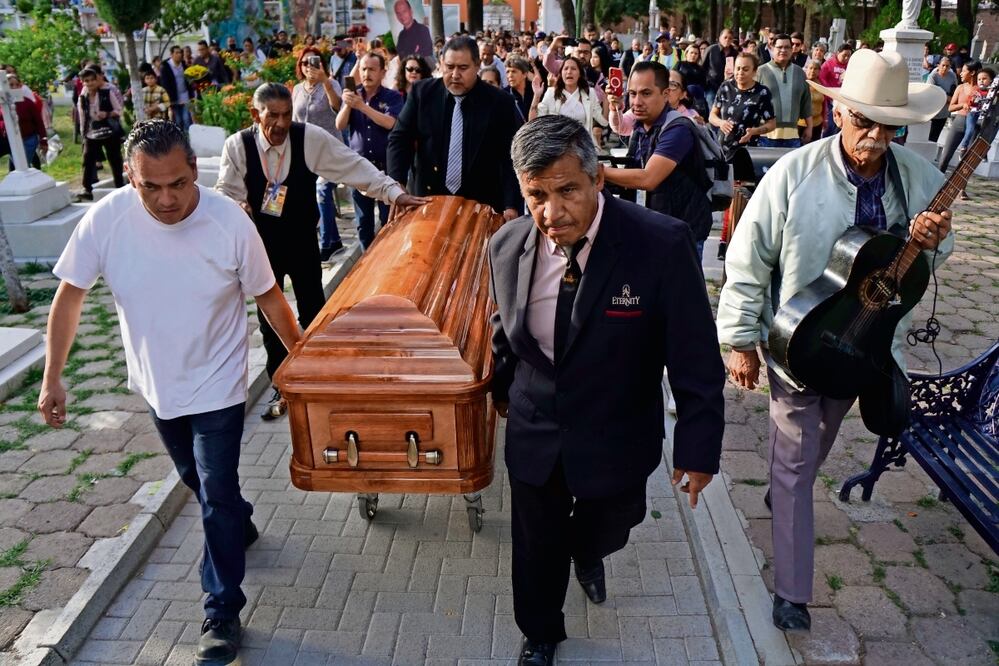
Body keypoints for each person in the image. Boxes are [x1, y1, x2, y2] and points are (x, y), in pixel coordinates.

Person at [38, 119, 303, 666]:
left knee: (214, 492)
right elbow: (70, 296)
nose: (166, 199)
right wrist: (52, 375)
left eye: (178, 183)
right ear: (129, 176)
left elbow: (270, 298)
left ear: (195, 171)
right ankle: (238, 522)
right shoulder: (106, 220)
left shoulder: (229, 222)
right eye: (150, 186)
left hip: (219, 383)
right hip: (157, 383)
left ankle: (221, 610)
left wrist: (303, 364)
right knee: (200, 483)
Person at [717, 49, 953, 634]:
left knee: (818, 438)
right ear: (839, 112)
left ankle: (786, 487)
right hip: (795, 341)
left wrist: (933, 239)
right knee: (798, 452)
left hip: (863, 343)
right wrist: (740, 339)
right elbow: (748, 257)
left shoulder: (916, 177)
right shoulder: (793, 173)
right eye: (864, 121)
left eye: (888, 126)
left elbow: (931, 256)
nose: (875, 137)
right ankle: (792, 593)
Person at [490, 114, 724, 666]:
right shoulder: (505, 246)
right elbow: (504, 329)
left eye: (567, 191)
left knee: (610, 526)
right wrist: (498, 392)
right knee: (535, 543)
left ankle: (587, 552)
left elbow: (694, 356)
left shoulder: (659, 245)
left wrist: (697, 449)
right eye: (536, 196)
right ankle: (540, 633)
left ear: (597, 178)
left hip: (618, 431)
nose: (552, 213)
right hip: (535, 426)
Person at [217, 83, 427, 419]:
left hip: (302, 239)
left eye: (287, 115)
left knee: (314, 310)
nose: (281, 124)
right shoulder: (238, 146)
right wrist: (237, 205)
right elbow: (226, 192)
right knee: (270, 321)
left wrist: (393, 193)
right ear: (256, 115)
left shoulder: (308, 138)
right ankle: (282, 384)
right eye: (273, 116)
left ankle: (319, 376)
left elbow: (352, 166)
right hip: (260, 245)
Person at [387, 36, 522, 221]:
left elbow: (511, 156)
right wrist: (397, 183)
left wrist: (510, 204)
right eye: (449, 67)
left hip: (482, 205)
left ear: (477, 66)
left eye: (463, 68)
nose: (455, 75)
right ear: (441, 63)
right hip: (428, 201)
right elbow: (400, 139)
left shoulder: (500, 102)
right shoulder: (422, 93)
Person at [603, 62, 714, 259]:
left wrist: (597, 171)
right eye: (632, 94)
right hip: (652, 225)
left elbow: (648, 178)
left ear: (665, 94)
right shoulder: (640, 125)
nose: (637, 102)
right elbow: (620, 128)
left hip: (682, 232)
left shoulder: (678, 128)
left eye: (646, 93)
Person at [336, 52, 404, 248]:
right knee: (363, 223)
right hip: (359, 168)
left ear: (382, 72)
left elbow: (390, 123)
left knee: (388, 220)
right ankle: (366, 258)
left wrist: (362, 107)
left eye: (372, 69)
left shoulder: (392, 97)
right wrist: (348, 105)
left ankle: (387, 256)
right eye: (364, 69)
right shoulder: (353, 94)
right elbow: (339, 125)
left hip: (385, 169)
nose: (367, 74)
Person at [291, 47, 346, 260]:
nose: (308, 67)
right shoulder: (297, 89)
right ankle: (333, 240)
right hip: (305, 153)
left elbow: (337, 107)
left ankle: (326, 244)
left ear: (321, 64)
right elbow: (294, 120)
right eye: (304, 63)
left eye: (313, 62)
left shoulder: (331, 84)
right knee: (291, 190)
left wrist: (325, 82)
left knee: (321, 189)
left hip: (330, 151)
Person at [709, 52, 775, 180]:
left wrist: (755, 131)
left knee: (741, 188)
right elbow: (712, 116)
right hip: (722, 149)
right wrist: (721, 123)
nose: (740, 73)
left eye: (745, 69)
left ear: (754, 71)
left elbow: (772, 124)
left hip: (746, 151)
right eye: (738, 68)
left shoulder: (762, 92)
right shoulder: (725, 87)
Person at [530, 57, 607, 148]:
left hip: (583, 148)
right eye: (565, 68)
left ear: (580, 74)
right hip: (557, 147)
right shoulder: (551, 93)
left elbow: (603, 121)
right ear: (561, 73)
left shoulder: (590, 93)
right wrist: (537, 95)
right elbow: (533, 122)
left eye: (573, 69)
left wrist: (606, 98)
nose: (569, 72)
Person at [756, 34, 813, 148]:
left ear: (792, 49)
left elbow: (806, 103)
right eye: (779, 47)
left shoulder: (800, 73)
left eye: (787, 47)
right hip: (765, 136)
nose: (783, 50)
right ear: (772, 48)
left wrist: (809, 127)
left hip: (793, 137)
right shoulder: (760, 72)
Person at [77, 67, 125, 201]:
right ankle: (86, 188)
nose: (90, 83)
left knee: (114, 158)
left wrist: (107, 114)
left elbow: (118, 110)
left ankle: (120, 185)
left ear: (97, 80)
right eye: (87, 81)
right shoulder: (83, 97)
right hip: (92, 132)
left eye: (92, 80)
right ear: (83, 82)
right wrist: (83, 132)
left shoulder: (106, 92)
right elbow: (82, 116)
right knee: (88, 159)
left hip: (109, 130)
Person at [937, 60, 981, 176]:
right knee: (945, 156)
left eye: (964, 71)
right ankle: (938, 180)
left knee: (967, 160)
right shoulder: (960, 88)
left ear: (972, 73)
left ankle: (960, 185)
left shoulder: (981, 90)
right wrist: (962, 105)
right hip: (959, 122)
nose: (960, 73)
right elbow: (950, 107)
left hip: (974, 125)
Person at [0, 72, 46, 170]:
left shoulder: (27, 102)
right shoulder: (2, 103)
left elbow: (39, 122)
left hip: (28, 139)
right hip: (9, 140)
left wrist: (43, 140)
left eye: (17, 85)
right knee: (14, 170)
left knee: (21, 168)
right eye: (11, 85)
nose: (14, 87)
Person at [959, 68, 995, 157]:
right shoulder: (975, 90)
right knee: (970, 130)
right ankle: (963, 147)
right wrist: (968, 104)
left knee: (985, 134)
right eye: (979, 79)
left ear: (991, 80)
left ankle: (982, 152)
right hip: (973, 113)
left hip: (985, 115)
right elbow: (969, 101)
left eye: (984, 79)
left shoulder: (993, 91)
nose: (981, 81)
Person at [819, 43, 853, 136]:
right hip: (830, 99)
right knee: (830, 124)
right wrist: (830, 92)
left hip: (843, 100)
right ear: (838, 53)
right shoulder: (828, 63)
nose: (846, 58)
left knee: (839, 125)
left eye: (849, 56)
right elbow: (822, 78)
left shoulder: (850, 66)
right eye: (844, 55)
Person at [704, 29, 740, 107]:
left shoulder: (735, 53)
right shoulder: (711, 50)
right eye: (725, 37)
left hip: (729, 86)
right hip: (711, 85)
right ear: (720, 38)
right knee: (713, 106)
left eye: (730, 38)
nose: (727, 40)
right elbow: (702, 66)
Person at [160, 46, 193, 130]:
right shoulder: (166, 67)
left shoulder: (184, 65)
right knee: (178, 120)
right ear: (171, 54)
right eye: (177, 53)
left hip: (185, 95)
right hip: (173, 97)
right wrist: (168, 99)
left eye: (180, 52)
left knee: (186, 119)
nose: (179, 55)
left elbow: (189, 80)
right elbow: (165, 84)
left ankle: (188, 135)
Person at [926, 56, 956, 142]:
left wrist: (950, 98)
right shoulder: (933, 76)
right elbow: (932, 92)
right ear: (938, 65)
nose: (945, 68)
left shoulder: (952, 76)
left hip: (944, 111)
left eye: (947, 66)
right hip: (933, 111)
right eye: (943, 65)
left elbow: (954, 90)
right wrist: (946, 97)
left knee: (935, 136)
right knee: (928, 135)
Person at [800, 59, 825, 142]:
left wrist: (824, 119)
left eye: (815, 69)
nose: (812, 71)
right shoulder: (800, 82)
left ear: (819, 71)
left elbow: (824, 103)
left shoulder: (821, 84)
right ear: (806, 69)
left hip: (817, 123)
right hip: (801, 123)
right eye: (810, 68)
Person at [505, 56, 535, 121]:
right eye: (507, 72)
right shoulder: (504, 95)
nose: (510, 75)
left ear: (524, 74)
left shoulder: (535, 90)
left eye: (514, 71)